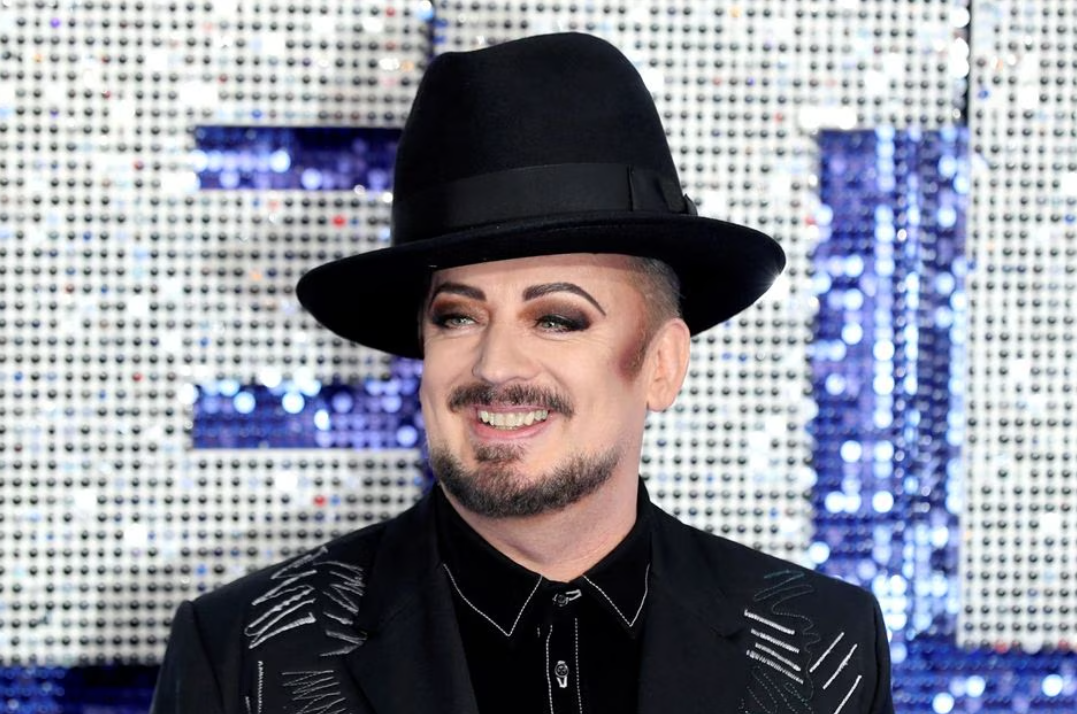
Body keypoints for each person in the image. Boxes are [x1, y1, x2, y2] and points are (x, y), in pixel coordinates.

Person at [151, 32, 894, 714]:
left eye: (557, 319)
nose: (495, 364)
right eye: (457, 316)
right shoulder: (244, 656)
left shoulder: (823, 649)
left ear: (662, 364)